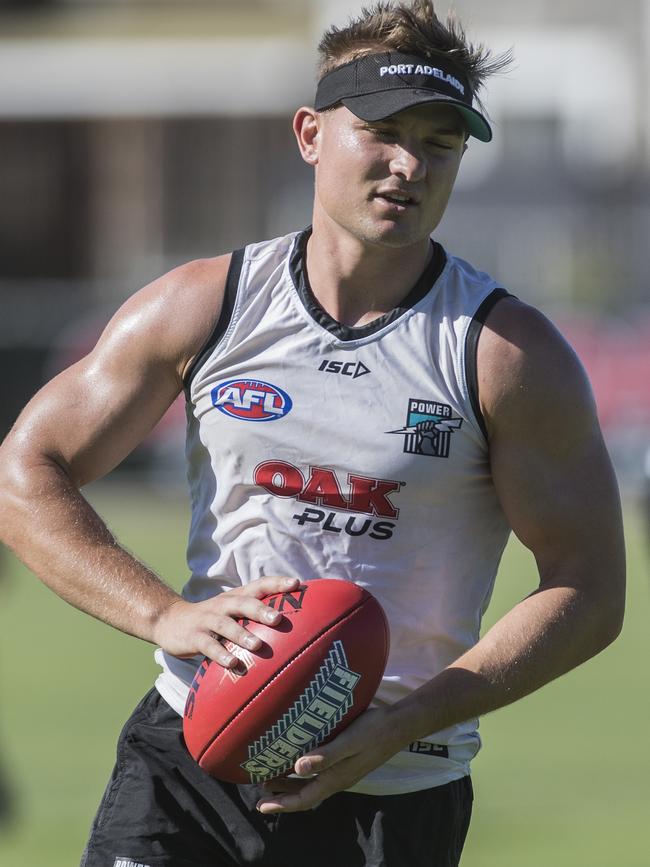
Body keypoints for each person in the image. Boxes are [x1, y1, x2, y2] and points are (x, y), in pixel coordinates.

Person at [0, 2, 625, 865]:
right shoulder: (205, 306)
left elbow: (590, 587)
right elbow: (25, 469)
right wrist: (164, 614)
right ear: (310, 134)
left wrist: (410, 719)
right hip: (189, 761)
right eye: (383, 130)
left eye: (439, 142)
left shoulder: (506, 356)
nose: (409, 163)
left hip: (393, 789)